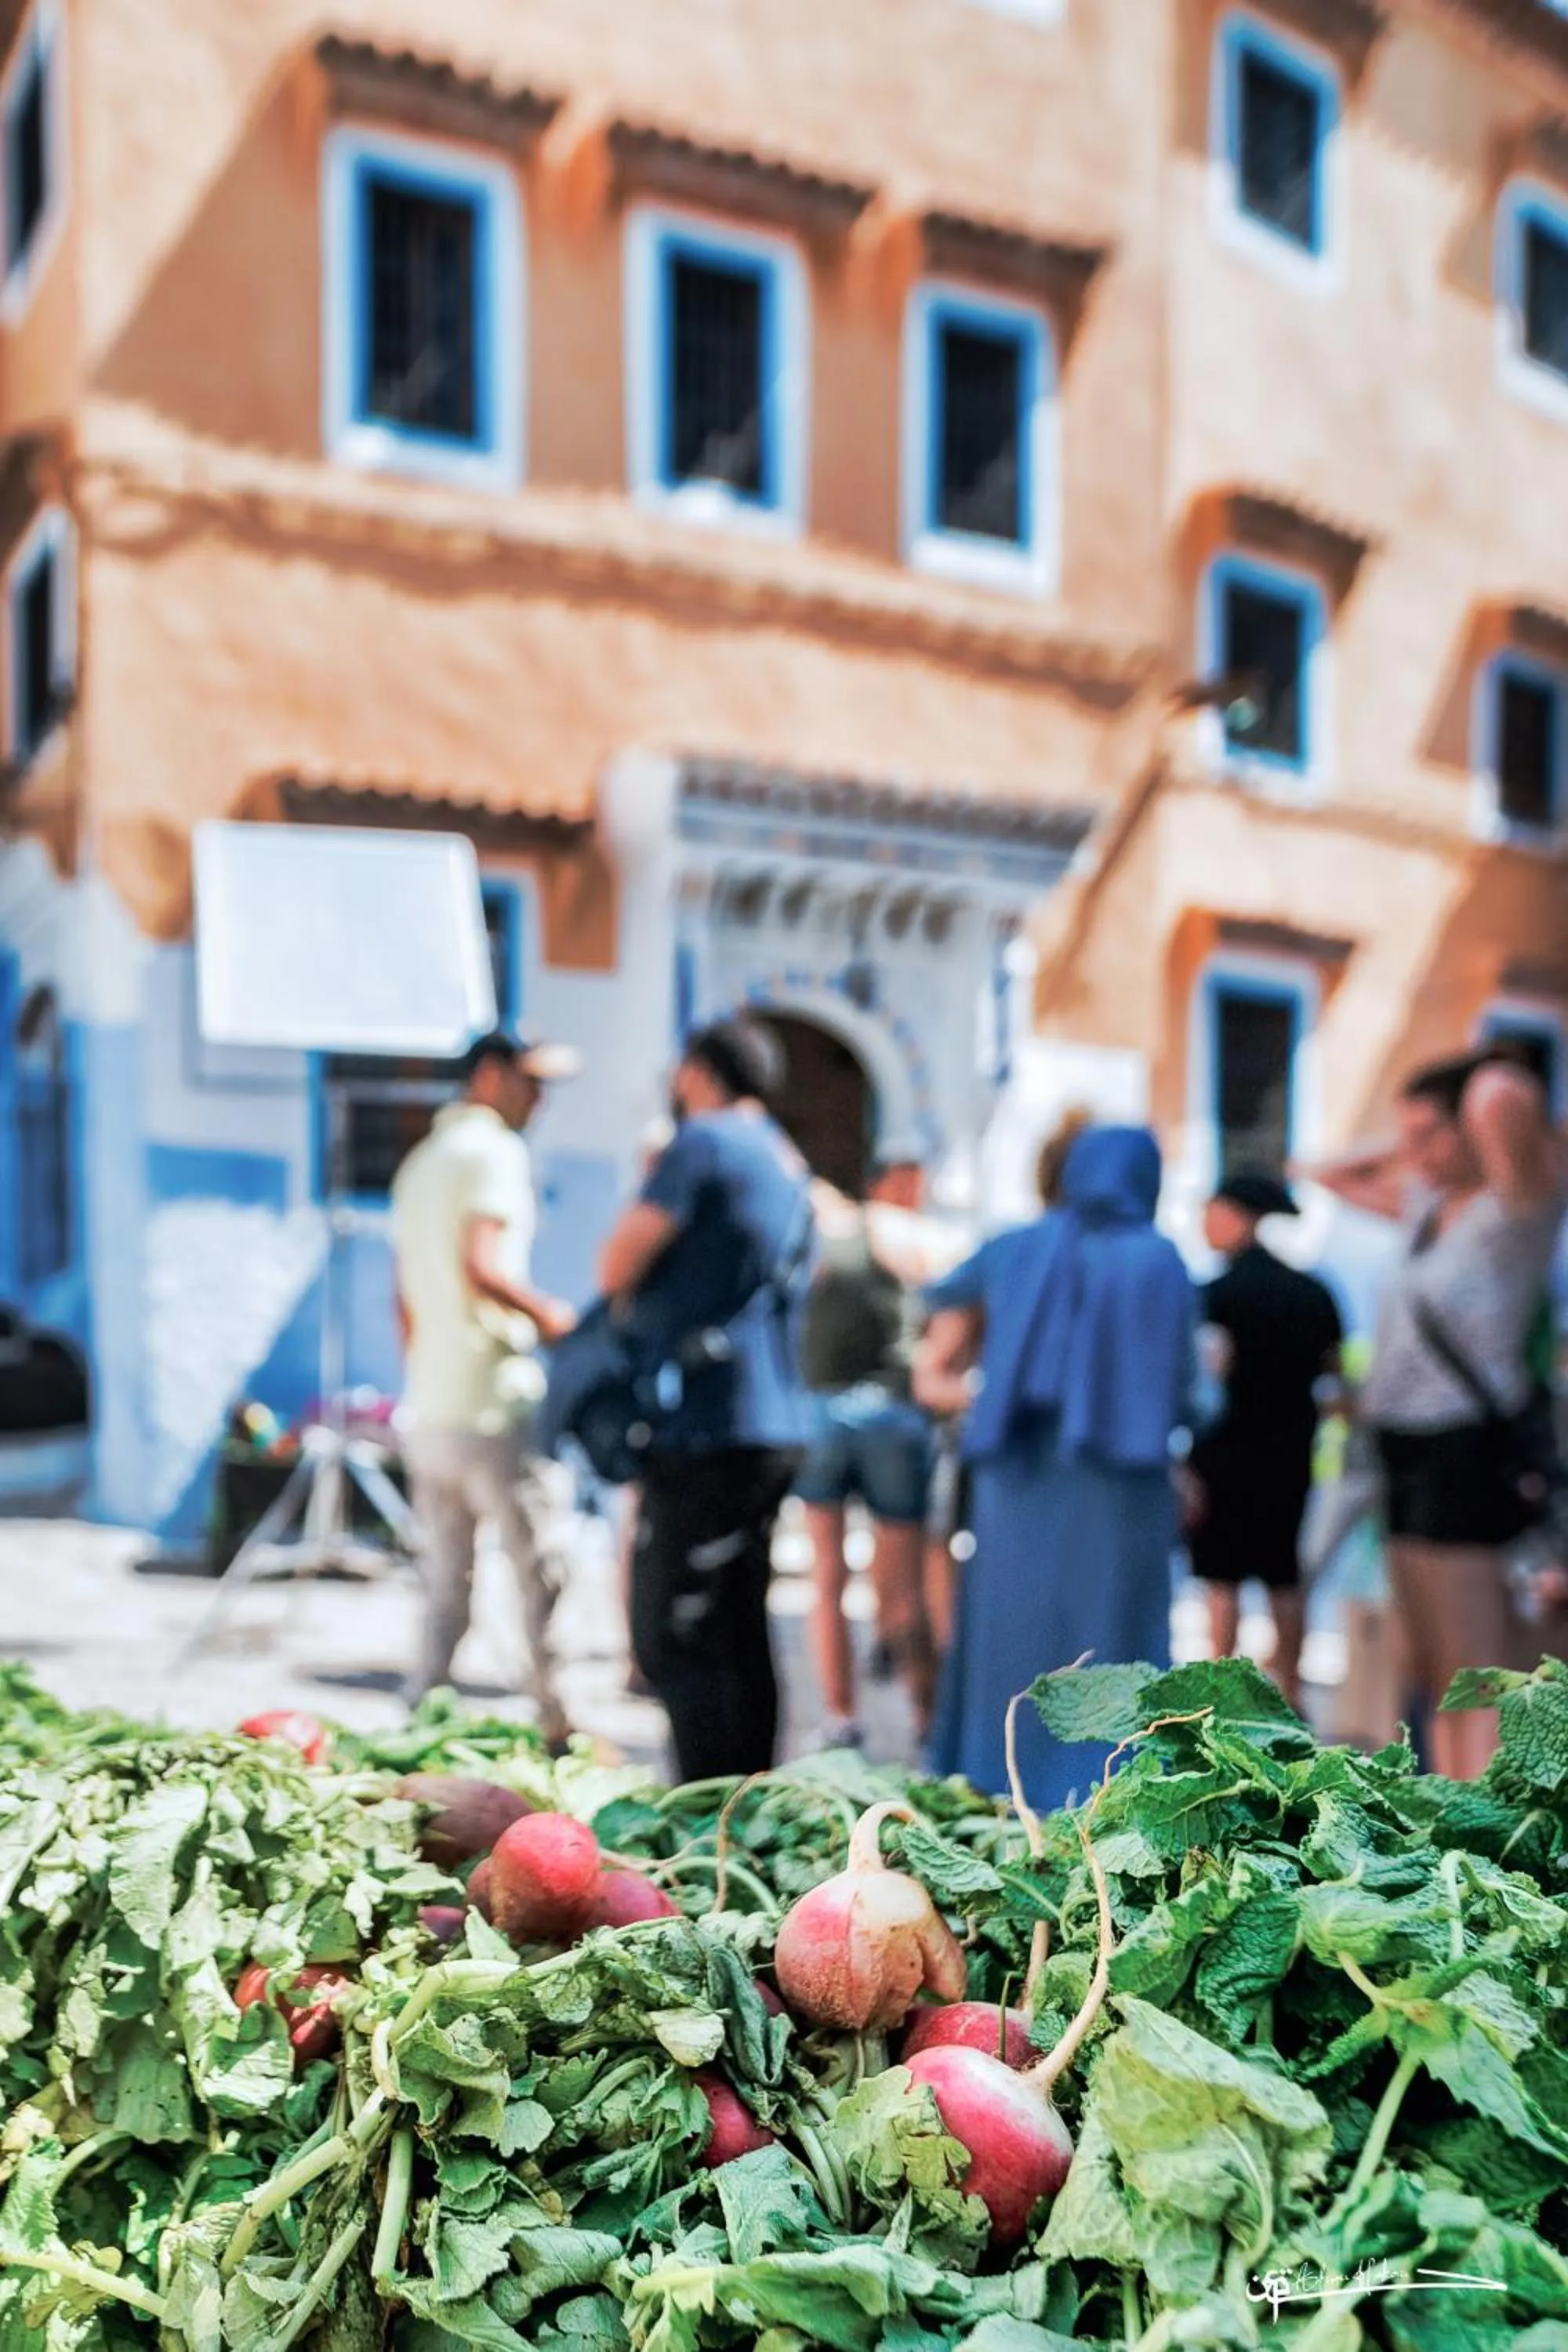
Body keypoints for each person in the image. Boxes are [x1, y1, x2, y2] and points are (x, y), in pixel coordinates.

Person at [915, 1124, 1197, 1812]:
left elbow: (937, 1299)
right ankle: (1110, 1792)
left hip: (1014, 1484)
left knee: (1008, 1642)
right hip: (1121, 1487)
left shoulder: (1015, 1247)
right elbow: (1190, 1393)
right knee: (1116, 1646)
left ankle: (992, 1776)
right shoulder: (1159, 1260)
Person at [1305, 1050, 1565, 1777]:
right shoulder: (1427, 1211)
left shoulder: (1517, 1209)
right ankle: (1449, 1804)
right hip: (1404, 1449)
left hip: (1467, 1449)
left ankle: (1480, 1822)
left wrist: (1477, 1074)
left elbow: (1502, 1098)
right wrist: (1416, 1136)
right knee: (1431, 1660)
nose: (1414, 1154)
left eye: (1432, 1134)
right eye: (1407, 1136)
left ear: (1473, 1130)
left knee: (1477, 1660)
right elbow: (1326, 1176)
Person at [597, 1018, 814, 1781]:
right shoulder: (786, 1159)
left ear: (697, 1072)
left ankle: (701, 1815)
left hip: (708, 1421)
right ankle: (749, 1800)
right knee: (738, 1625)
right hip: (774, 1417)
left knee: (675, 1633)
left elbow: (615, 1261)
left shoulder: (701, 1143)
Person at [390, 1031, 581, 1737]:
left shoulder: (422, 1160)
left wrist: (425, 1363)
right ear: (493, 1076)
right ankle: (558, 1718)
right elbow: (485, 1264)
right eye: (532, 1081)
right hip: (493, 1399)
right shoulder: (494, 1152)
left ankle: (422, 1709)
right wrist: (552, 1316)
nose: (540, 1098)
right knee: (540, 1567)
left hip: (433, 1399)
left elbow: (402, 1294)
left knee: (445, 1575)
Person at [797, 1155, 953, 1747]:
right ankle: (925, 1717)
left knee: (827, 1579)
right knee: (903, 1587)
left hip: (825, 1413)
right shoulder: (918, 1237)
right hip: (894, 1415)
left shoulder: (829, 1232)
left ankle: (841, 1716)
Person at [1186, 1171, 1344, 1713]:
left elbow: (1203, 1374)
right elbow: (1335, 1372)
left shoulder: (1215, 1295)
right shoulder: (1313, 1292)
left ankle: (1217, 1701)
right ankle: (1292, 1694)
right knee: (1283, 1571)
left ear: (1239, 1215)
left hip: (1225, 1452)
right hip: (1290, 1452)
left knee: (1221, 1577)